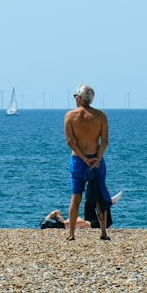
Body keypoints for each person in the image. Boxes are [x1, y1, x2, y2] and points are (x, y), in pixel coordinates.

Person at [64, 84, 110, 241]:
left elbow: (70, 141)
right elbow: (104, 141)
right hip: (96, 159)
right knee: (99, 196)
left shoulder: (70, 116)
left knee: (76, 197)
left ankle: (71, 234)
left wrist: (84, 158)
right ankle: (103, 232)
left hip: (78, 160)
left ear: (79, 97)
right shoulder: (100, 116)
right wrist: (96, 158)